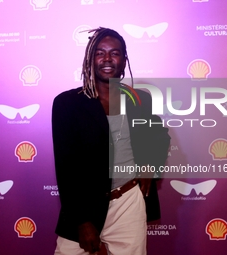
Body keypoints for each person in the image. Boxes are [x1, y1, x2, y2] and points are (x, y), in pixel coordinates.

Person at [52, 27, 170, 255]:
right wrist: (81, 221)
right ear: (89, 59)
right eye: (100, 52)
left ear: (124, 60)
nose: (107, 58)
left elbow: (160, 137)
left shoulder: (139, 99)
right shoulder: (67, 104)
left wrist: (150, 166)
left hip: (128, 201)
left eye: (114, 53)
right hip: (85, 206)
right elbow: (65, 168)